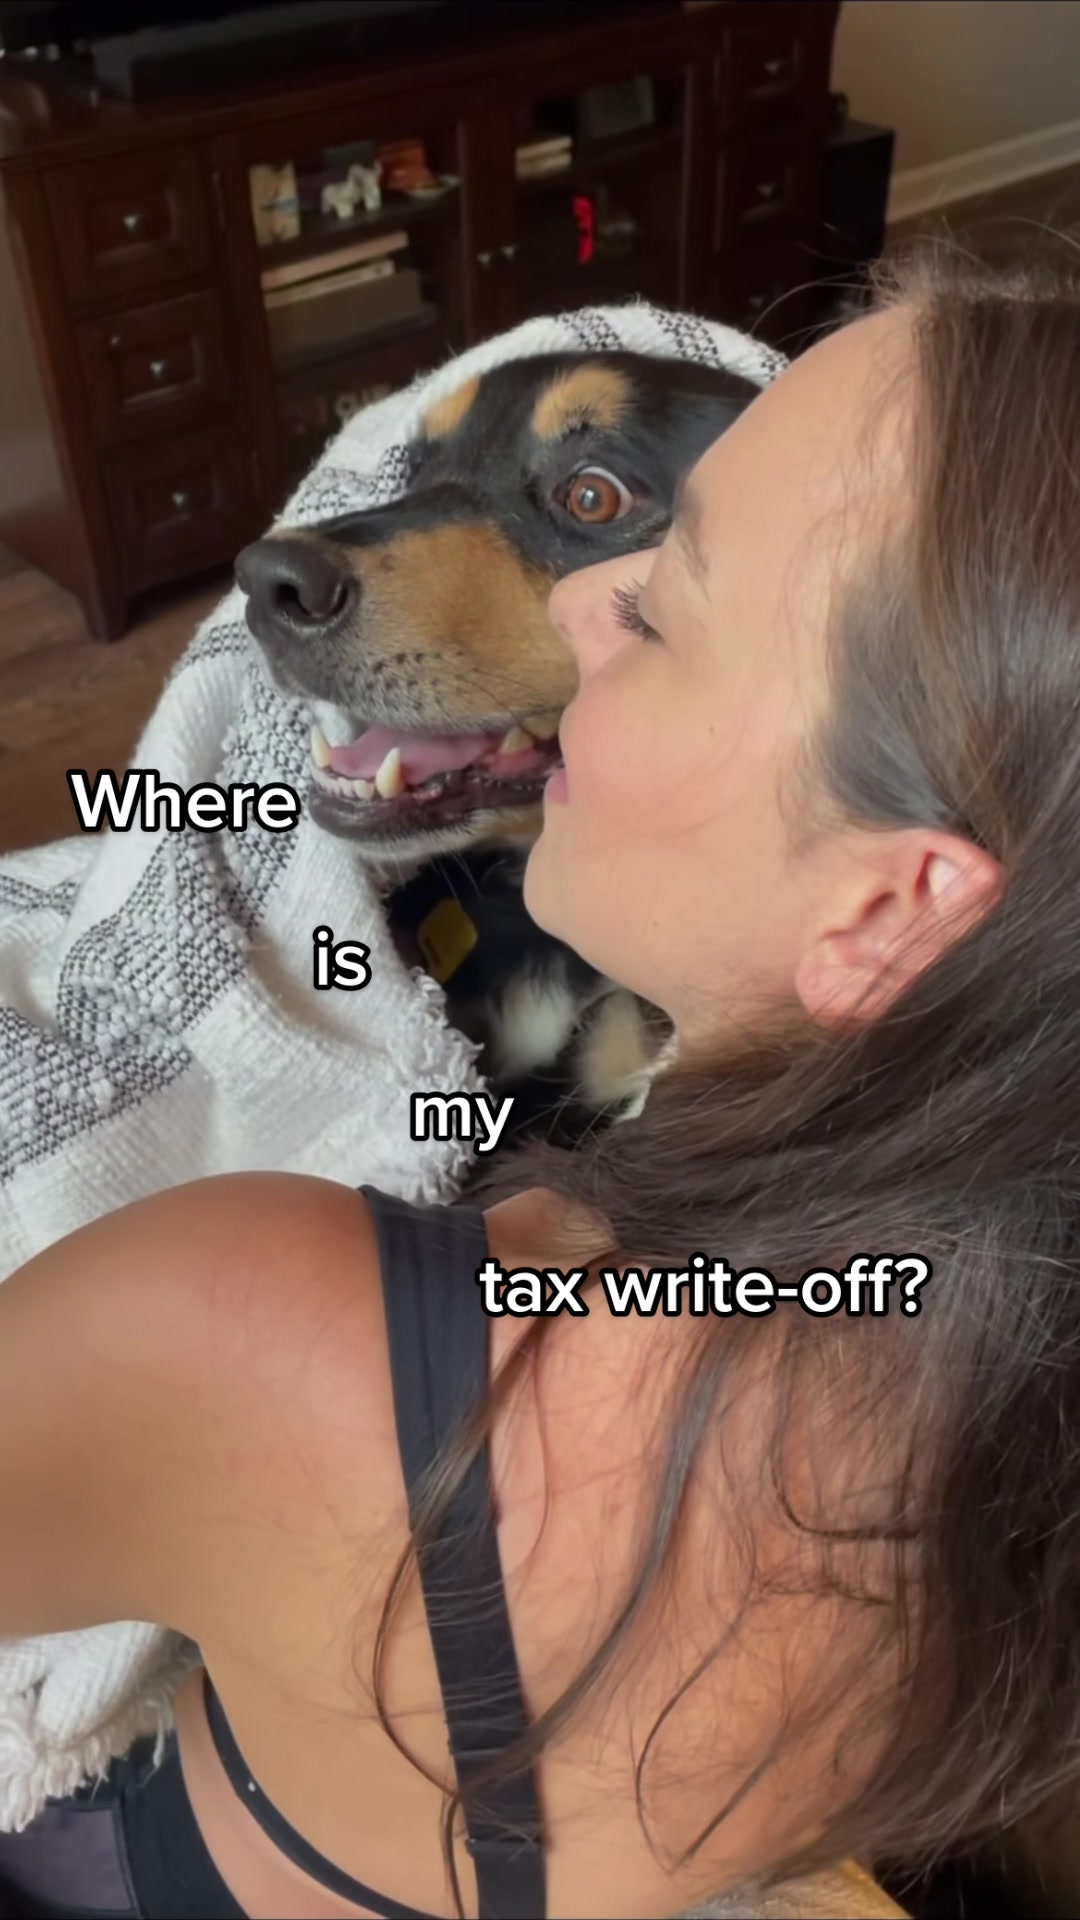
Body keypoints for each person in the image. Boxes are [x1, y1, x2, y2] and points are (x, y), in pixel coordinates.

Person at [3, 235, 1080, 1920]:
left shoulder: (260, 1319)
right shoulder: (1014, 1403)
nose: (588, 609)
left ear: (891, 907)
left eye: (658, 605)